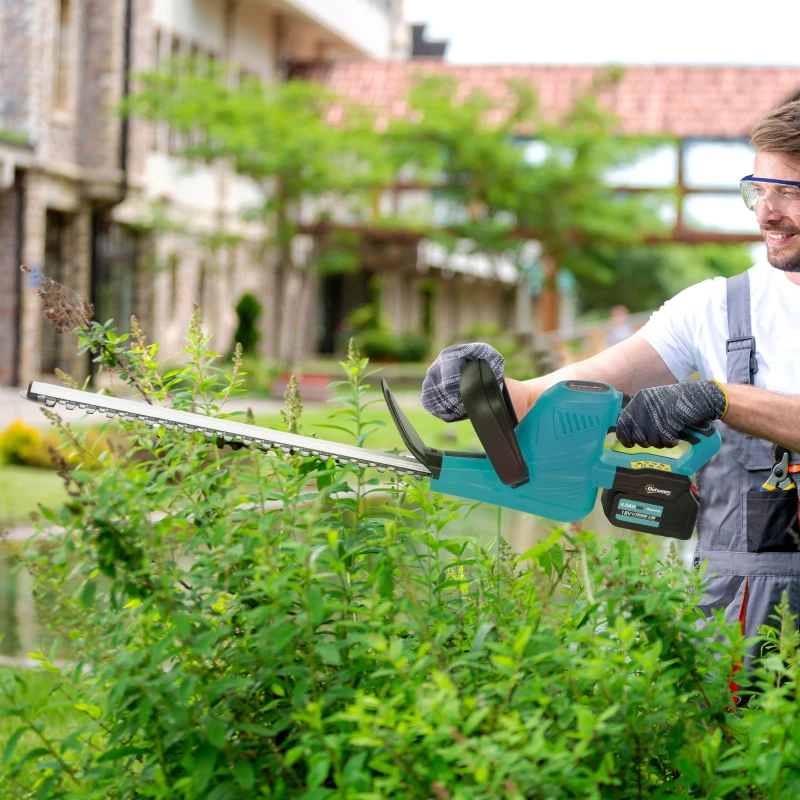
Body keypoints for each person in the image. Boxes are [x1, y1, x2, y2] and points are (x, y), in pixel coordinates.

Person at [421, 100, 800, 684]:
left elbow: (729, 402)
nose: (766, 214)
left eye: (787, 192)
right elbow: (587, 383)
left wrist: (722, 399)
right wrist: (492, 389)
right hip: (733, 616)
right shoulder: (716, 307)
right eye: (757, 191)